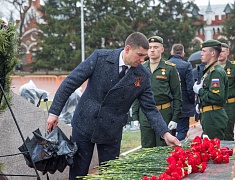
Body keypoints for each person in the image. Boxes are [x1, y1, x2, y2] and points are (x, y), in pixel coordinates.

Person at [46, 32, 181, 179]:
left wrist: (165, 133)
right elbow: (70, 82)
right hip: (85, 123)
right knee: (79, 172)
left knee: (110, 174)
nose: (143, 60)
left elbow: (150, 108)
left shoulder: (143, 75)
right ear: (128, 49)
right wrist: (54, 112)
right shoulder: (100, 58)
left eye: (145, 56)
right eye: (140, 55)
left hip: (111, 129)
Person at [132, 36, 182, 147]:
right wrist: (135, 117)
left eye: (156, 47)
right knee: (147, 149)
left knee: (163, 148)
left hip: (164, 113)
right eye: (150, 47)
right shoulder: (140, 68)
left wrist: (175, 118)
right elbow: (136, 93)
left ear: (162, 49)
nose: (152, 50)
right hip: (145, 115)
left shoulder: (170, 69)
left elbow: (177, 96)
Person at [193, 39, 228, 140]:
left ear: (213, 53)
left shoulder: (215, 72)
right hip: (209, 115)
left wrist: (199, 91)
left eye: (204, 51)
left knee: (213, 150)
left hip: (213, 117)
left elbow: (217, 96)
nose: (201, 54)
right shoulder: (209, 71)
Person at [168, 44, 195, 141]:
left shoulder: (166, 65)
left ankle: (170, 151)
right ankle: (177, 150)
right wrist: (192, 101)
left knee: (170, 131)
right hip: (184, 104)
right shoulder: (186, 65)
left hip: (169, 104)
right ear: (183, 54)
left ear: (171, 53)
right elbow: (190, 87)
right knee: (182, 131)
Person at [218, 43, 235, 140]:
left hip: (229, 105)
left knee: (228, 130)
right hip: (216, 104)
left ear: (227, 52)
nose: (220, 54)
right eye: (219, 51)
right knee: (216, 130)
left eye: (223, 51)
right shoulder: (212, 67)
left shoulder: (233, 67)